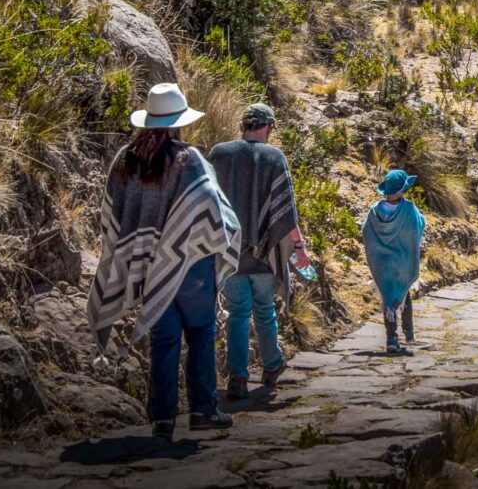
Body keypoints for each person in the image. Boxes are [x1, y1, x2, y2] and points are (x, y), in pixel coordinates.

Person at [86, 83, 241, 442]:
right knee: (201, 333)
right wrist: (226, 234)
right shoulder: (189, 159)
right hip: (189, 263)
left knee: (164, 338)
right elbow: (211, 207)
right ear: (178, 123)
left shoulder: (126, 160)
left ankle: (162, 421)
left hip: (146, 263)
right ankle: (203, 410)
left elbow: (112, 212)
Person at [208, 103, 312, 401]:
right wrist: (300, 248)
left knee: (237, 314)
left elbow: (208, 198)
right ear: (267, 127)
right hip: (265, 252)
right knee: (264, 310)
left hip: (229, 253)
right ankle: (271, 366)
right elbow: (287, 210)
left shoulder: (219, 154)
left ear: (244, 125)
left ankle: (238, 378)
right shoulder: (274, 157)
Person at [362, 169, 425, 353]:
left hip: (383, 264)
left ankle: (391, 338)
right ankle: (409, 331)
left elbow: (366, 233)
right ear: (402, 190)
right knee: (404, 292)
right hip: (403, 263)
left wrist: (379, 250)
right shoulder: (409, 209)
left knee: (388, 298)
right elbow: (419, 225)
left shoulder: (375, 211)